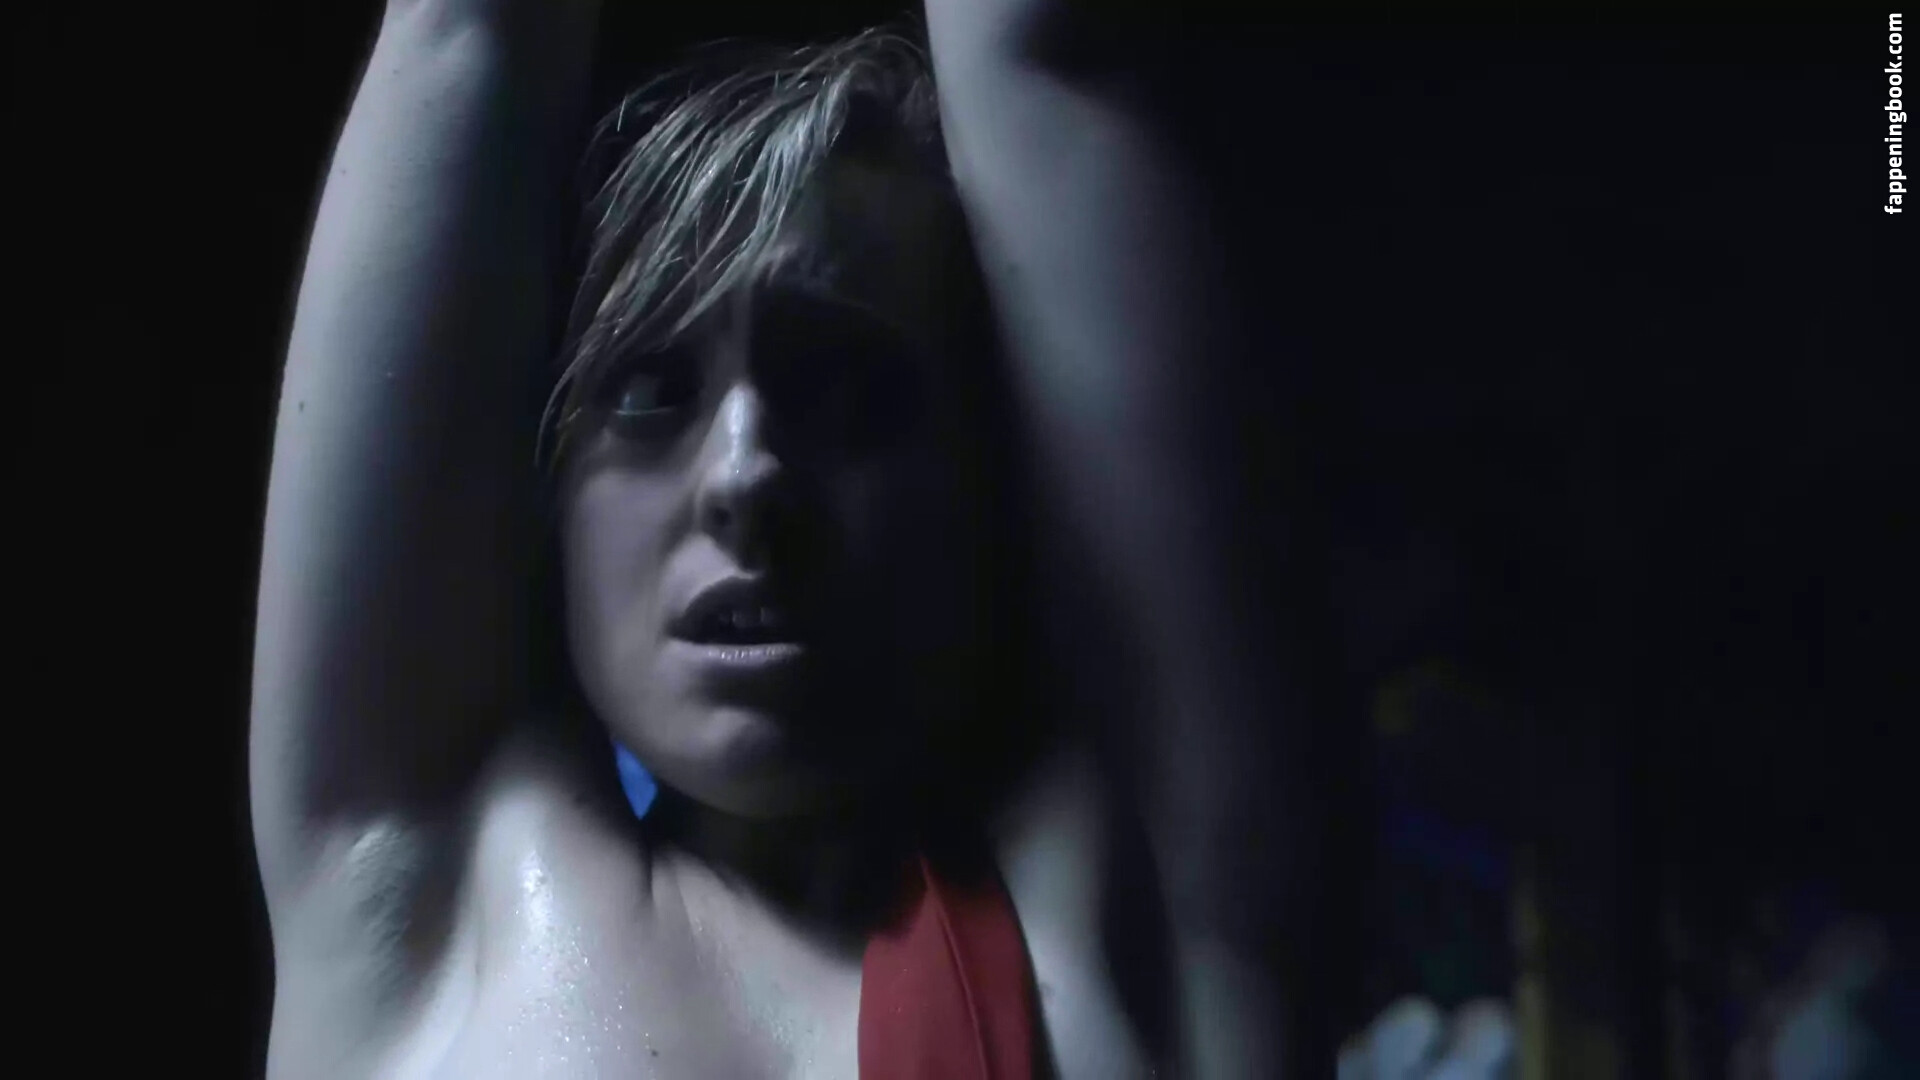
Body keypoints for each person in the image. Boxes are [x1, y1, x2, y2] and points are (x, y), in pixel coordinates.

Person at [253, 0, 1351, 1075]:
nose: (746, 473)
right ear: (554, 497)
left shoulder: (1144, 933)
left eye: (848, 391)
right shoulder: (421, 903)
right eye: (649, 393)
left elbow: (1043, 51)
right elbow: (465, 27)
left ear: (979, 474)